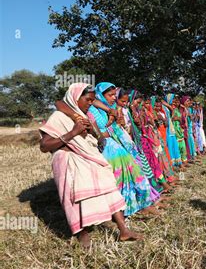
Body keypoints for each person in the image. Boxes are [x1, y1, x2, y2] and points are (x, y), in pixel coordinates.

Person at [39, 83, 143, 248]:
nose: (90, 103)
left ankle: (123, 230)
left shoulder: (82, 116)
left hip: (89, 157)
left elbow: (92, 139)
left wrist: (93, 133)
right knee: (78, 197)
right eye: (87, 100)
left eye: (92, 100)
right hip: (69, 160)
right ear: (75, 98)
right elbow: (44, 146)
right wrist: (72, 133)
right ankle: (83, 234)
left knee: (108, 184)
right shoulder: (58, 117)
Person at [86, 82, 162, 217]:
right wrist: (111, 119)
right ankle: (127, 208)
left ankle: (143, 204)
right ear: (100, 95)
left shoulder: (110, 108)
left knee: (136, 174)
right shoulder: (92, 110)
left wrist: (112, 116)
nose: (114, 98)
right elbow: (98, 132)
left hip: (118, 145)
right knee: (121, 180)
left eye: (114, 95)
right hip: (108, 149)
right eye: (110, 95)